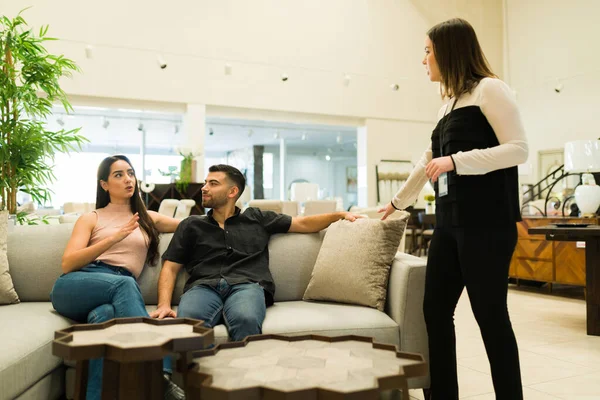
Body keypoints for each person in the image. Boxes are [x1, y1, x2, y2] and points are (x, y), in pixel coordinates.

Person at [379, 19, 528, 399]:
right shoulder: (448, 104)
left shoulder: (490, 90)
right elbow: (429, 160)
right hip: (449, 225)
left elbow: (518, 149)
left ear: (449, 51)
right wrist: (396, 203)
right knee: (434, 312)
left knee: (490, 318)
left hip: (487, 226)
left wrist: (456, 161)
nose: (423, 59)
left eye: (428, 50)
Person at [151, 164, 362, 341]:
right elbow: (170, 267)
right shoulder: (191, 225)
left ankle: (241, 385)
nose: (204, 188)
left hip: (247, 285)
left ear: (232, 192)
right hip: (203, 286)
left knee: (246, 319)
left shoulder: (257, 218)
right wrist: (163, 305)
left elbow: (303, 223)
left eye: (213, 184)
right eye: (206, 183)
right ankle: (190, 385)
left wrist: (339, 215)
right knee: (189, 323)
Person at [50, 155, 184, 400]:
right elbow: (68, 263)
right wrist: (113, 238)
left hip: (117, 286)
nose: (128, 179)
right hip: (77, 284)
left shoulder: (147, 218)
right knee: (124, 284)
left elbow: (188, 225)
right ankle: (157, 374)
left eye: (130, 173)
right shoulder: (92, 217)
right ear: (104, 184)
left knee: (103, 319)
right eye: (118, 175)